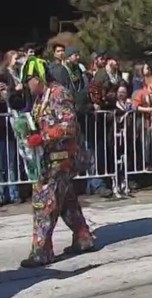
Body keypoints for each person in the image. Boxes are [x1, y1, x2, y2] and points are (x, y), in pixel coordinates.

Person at [20, 66, 96, 268]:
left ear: (39, 77)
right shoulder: (41, 98)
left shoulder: (58, 93)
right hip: (51, 157)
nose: (28, 84)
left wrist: (42, 137)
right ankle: (83, 237)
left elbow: (67, 125)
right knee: (66, 199)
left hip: (62, 157)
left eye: (29, 79)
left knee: (44, 201)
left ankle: (41, 251)